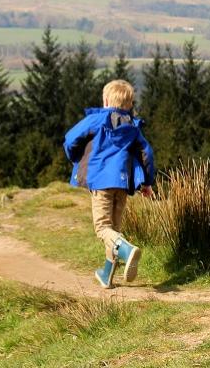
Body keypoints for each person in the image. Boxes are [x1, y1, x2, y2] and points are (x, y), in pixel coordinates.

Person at [63, 79, 155, 289]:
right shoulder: (133, 126)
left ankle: (127, 250)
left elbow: (70, 139)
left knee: (103, 228)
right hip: (123, 184)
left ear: (105, 100)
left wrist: (75, 156)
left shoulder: (97, 120)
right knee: (114, 228)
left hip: (101, 182)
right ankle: (107, 274)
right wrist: (147, 182)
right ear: (130, 104)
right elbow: (146, 153)